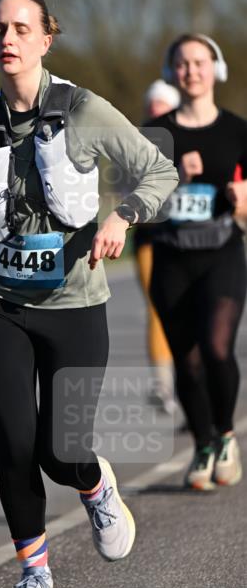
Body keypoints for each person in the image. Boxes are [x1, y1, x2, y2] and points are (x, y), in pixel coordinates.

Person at [0, 0, 178, 588]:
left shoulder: (84, 111)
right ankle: (33, 573)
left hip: (77, 306)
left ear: (46, 38)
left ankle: (95, 483)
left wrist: (124, 216)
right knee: (13, 440)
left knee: (62, 450)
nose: (8, 39)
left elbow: (158, 170)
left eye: (21, 29)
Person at [147, 34, 247, 491]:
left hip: (222, 254)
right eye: (182, 63)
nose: (191, 70)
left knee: (217, 349)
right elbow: (134, 203)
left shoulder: (238, 132)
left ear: (215, 68)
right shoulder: (154, 135)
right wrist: (174, 177)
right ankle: (203, 443)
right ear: (172, 73)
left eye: (200, 61)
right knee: (186, 361)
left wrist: (243, 202)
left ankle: (225, 433)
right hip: (171, 258)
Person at [133, 80, 180, 417]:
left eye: (162, 106)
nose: (156, 111)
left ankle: (194, 383)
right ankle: (163, 386)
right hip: (151, 239)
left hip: (189, 240)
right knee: (157, 308)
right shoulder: (136, 141)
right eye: (153, 106)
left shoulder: (191, 137)